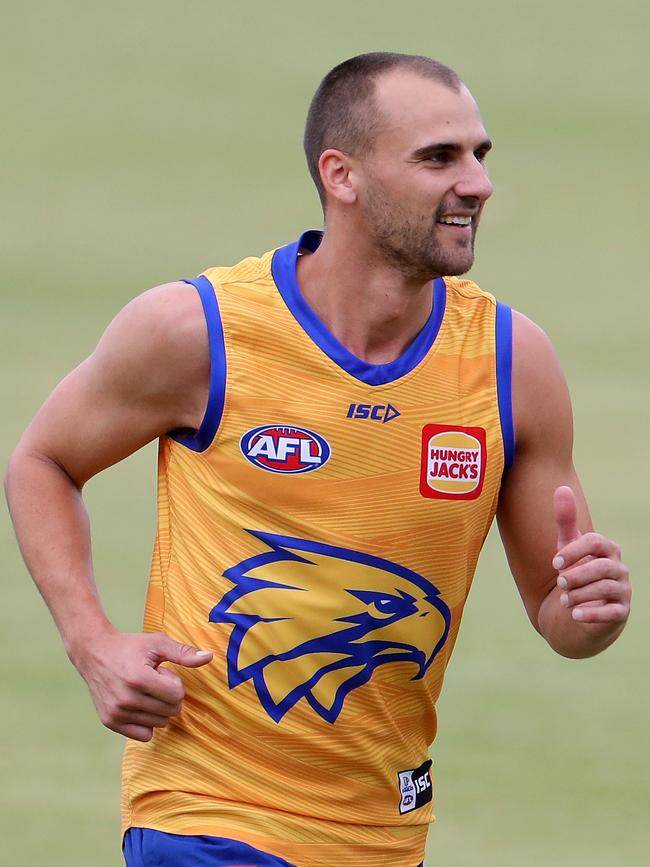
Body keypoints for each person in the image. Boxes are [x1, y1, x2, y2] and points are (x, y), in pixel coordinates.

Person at [5, 52, 630, 867]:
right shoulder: (199, 332)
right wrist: (91, 640)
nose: (476, 183)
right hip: (206, 814)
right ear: (343, 175)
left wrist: (589, 612)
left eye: (481, 155)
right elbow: (42, 461)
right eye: (439, 157)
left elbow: (558, 616)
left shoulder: (514, 363)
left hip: (382, 829)